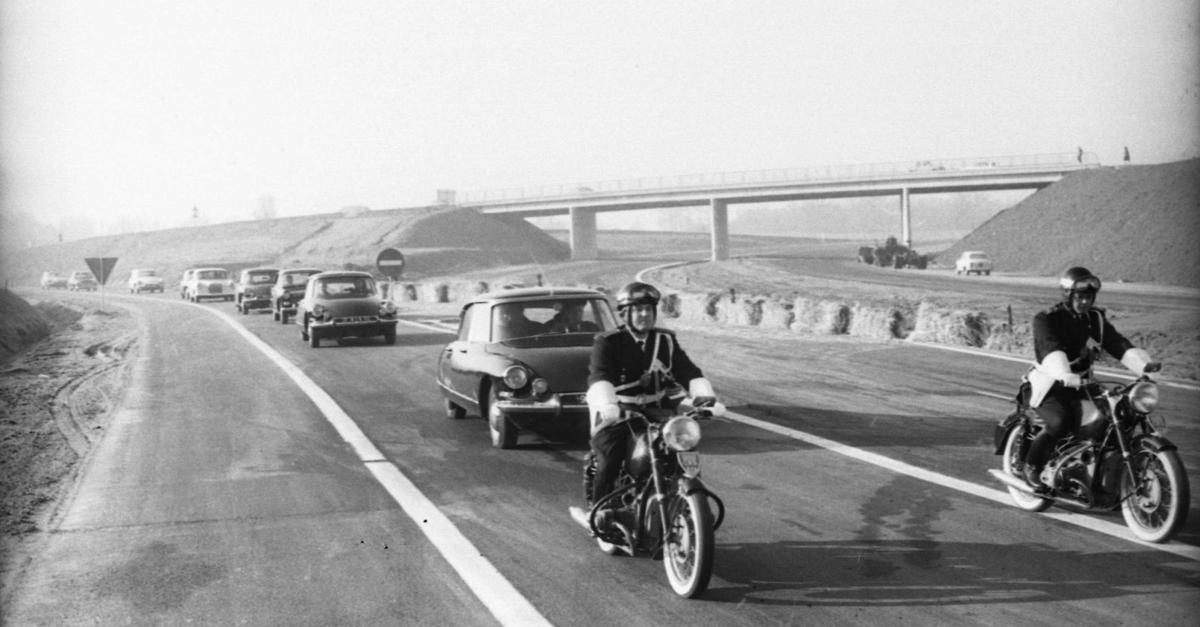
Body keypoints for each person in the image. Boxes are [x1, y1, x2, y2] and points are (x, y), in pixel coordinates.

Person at [581, 282, 717, 521]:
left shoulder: (665, 341)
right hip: (620, 410)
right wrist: (607, 403)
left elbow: (687, 371)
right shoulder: (608, 342)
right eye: (638, 309)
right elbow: (599, 375)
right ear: (625, 313)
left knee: (683, 446)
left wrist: (702, 394)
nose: (644, 315)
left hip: (658, 410)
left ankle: (691, 505)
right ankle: (600, 513)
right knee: (611, 457)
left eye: (648, 309)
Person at [1022, 266, 1155, 491]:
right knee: (1059, 422)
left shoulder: (1096, 320)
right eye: (1080, 296)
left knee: (1114, 417)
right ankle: (1031, 467)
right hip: (1050, 385)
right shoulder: (1047, 319)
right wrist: (1064, 372)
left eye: (1088, 297)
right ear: (1068, 294)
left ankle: (1098, 472)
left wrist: (1144, 366)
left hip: (1083, 383)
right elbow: (1049, 347)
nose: (1085, 302)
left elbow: (1117, 343)